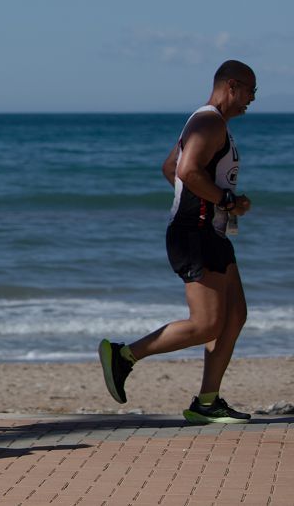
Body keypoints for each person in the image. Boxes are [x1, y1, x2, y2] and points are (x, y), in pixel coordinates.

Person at [99, 60, 257, 424]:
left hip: (208, 230)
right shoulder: (208, 122)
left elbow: (170, 167)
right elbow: (185, 171)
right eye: (251, 90)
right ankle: (123, 356)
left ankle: (207, 402)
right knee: (207, 324)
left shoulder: (209, 123)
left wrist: (207, 201)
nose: (252, 99)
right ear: (231, 85)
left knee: (235, 316)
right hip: (194, 233)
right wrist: (225, 201)